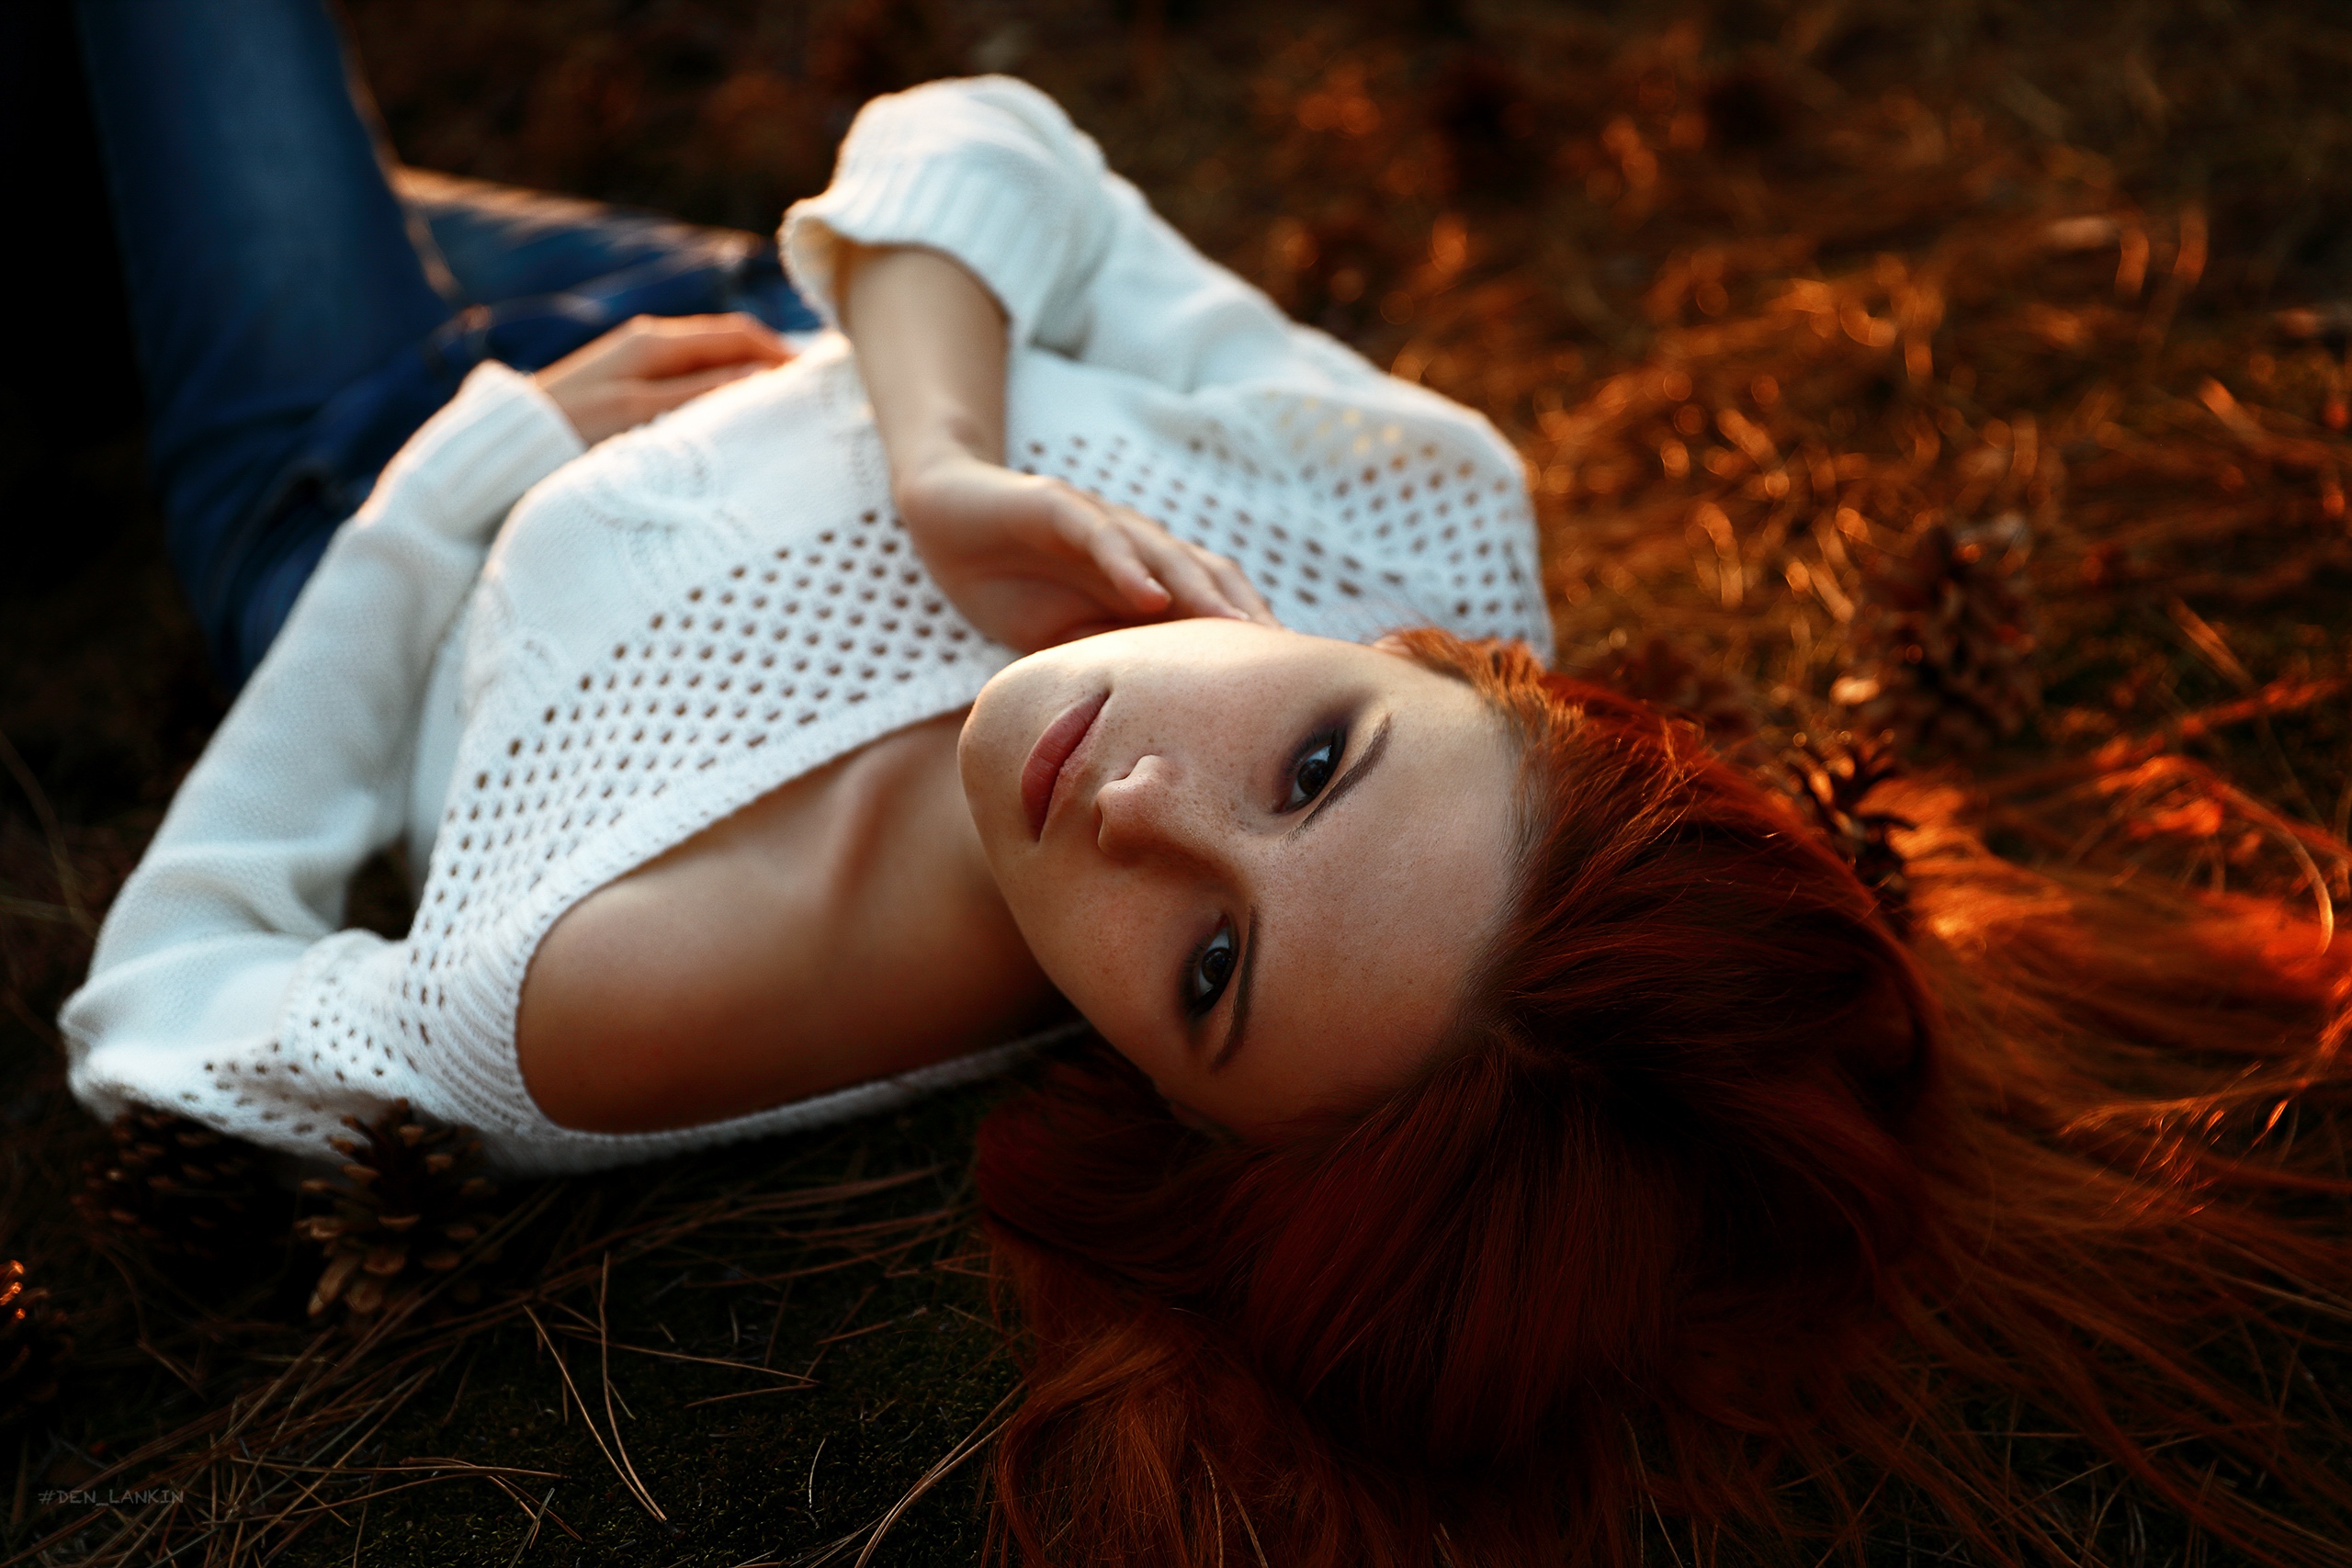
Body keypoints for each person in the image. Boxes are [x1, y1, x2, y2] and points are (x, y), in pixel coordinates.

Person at [55, 5, 2352, 1565]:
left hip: (386, 484)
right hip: (786, 330)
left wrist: (463, 479)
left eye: (1212, 967)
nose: (1131, 797)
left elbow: (162, 999)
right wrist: (944, 450)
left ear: (1168, 1103)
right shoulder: (1422, 523)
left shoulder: (614, 1002)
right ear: (1445, 664)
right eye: (1317, 751)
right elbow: (990, 157)